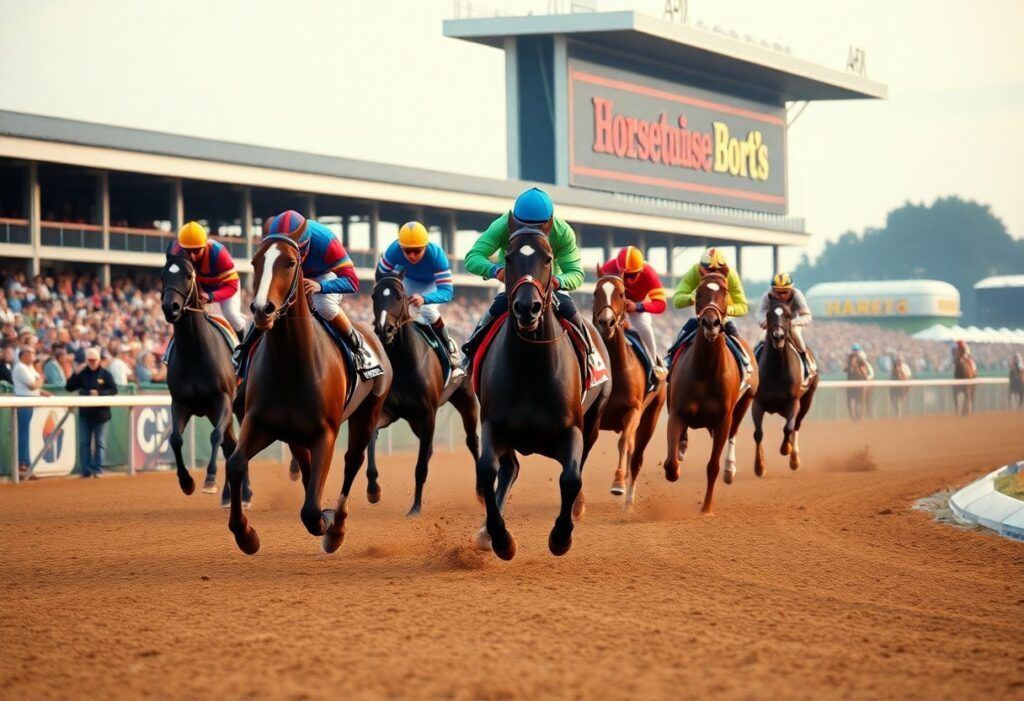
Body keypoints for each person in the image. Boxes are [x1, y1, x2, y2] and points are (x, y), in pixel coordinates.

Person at [461, 187, 592, 365]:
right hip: (514, 284)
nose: (528, 232)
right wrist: (496, 270)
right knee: (493, 312)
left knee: (571, 313)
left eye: (536, 228)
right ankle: (469, 358)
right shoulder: (502, 225)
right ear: (513, 220)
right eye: (522, 226)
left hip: (549, 285)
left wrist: (557, 281)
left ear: (549, 223)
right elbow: (473, 257)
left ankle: (592, 359)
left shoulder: (563, 232)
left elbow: (576, 273)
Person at [261, 210, 380, 377]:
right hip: (287, 271)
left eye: (301, 251)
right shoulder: (274, 239)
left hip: (323, 275)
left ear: (308, 242)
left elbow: (352, 281)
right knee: (263, 304)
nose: (298, 257)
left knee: (324, 304)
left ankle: (358, 346)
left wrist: (321, 287)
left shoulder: (326, 241)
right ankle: (244, 353)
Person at [376, 221, 462, 376]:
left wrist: (425, 299)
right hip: (408, 281)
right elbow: (380, 276)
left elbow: (447, 292)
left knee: (426, 310)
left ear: (426, 246)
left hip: (432, 284)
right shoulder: (393, 250)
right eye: (407, 251)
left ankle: (449, 350)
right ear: (400, 247)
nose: (412, 256)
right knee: (390, 308)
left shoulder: (437, 255)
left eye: (417, 251)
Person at [666, 247, 749, 371]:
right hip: (701, 317)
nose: (713, 274)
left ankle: (746, 366)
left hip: (723, 319)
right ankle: (669, 360)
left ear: (725, 269)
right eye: (709, 270)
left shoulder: (731, 274)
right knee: (682, 335)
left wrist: (724, 311)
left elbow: (743, 306)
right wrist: (691, 298)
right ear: (701, 268)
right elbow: (677, 299)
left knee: (740, 345)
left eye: (719, 270)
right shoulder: (695, 271)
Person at [166, 221, 247, 338]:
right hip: (202, 288)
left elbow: (232, 286)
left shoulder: (219, 254)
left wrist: (211, 296)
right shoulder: (178, 251)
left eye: (196, 251)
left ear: (205, 246)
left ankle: (244, 343)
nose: (192, 256)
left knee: (231, 315)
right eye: (188, 251)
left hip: (224, 288)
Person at [598, 245, 668, 377]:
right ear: (619, 268)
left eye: (633, 275)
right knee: (599, 325)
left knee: (645, 329)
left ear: (641, 270)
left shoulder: (649, 274)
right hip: (613, 306)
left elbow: (661, 304)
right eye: (625, 275)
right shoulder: (608, 268)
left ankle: (654, 366)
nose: (628, 280)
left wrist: (637, 307)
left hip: (637, 306)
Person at [65, 346, 117, 478]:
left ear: (99, 360)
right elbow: (69, 387)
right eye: (90, 360)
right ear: (86, 360)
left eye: (94, 360)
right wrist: (75, 373)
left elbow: (114, 390)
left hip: (101, 414)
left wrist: (99, 393)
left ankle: (98, 469)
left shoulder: (105, 374)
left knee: (100, 443)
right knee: (84, 443)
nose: (92, 363)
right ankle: (86, 470)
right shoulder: (82, 373)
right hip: (85, 414)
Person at [756, 272, 815, 374]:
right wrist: (764, 322)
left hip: (792, 324)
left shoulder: (797, 295)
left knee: (797, 336)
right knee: (760, 340)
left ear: (791, 289)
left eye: (785, 292)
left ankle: (807, 364)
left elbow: (807, 316)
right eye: (778, 292)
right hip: (774, 325)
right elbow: (760, 312)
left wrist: (792, 323)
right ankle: (755, 363)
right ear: (772, 290)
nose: (781, 296)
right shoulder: (767, 295)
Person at [12, 346, 51, 478]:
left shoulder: (29, 367)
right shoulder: (20, 367)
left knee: (26, 433)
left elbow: (34, 386)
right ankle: (22, 464)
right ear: (23, 355)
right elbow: (32, 385)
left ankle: (26, 464)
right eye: (30, 353)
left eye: (33, 353)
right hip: (23, 401)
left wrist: (40, 391)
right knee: (23, 433)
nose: (33, 356)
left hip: (29, 401)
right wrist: (41, 380)